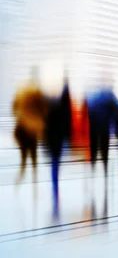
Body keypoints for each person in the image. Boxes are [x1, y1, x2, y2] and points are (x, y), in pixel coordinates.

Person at [12, 68, 47, 186]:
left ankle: (18, 183)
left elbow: (13, 109)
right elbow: (44, 111)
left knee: (23, 159)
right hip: (31, 130)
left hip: (21, 129)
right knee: (33, 158)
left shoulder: (21, 90)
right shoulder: (38, 92)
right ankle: (34, 185)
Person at [45, 78, 72, 217]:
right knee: (56, 162)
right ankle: (55, 187)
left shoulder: (48, 102)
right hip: (58, 138)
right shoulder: (63, 104)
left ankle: (55, 187)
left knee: (54, 163)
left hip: (52, 138)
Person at [87, 84, 118, 178]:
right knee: (104, 153)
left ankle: (93, 172)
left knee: (94, 152)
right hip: (104, 130)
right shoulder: (109, 95)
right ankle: (105, 173)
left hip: (93, 130)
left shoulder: (92, 96)